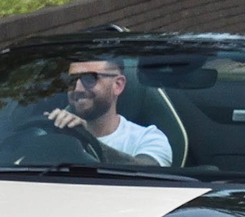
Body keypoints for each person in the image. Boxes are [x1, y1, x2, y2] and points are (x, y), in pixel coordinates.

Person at [45, 59, 173, 165]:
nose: (77, 89)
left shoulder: (148, 138)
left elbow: (148, 172)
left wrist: (88, 141)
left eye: (89, 78)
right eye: (71, 80)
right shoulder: (51, 135)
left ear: (117, 85)